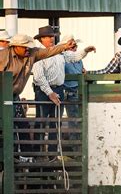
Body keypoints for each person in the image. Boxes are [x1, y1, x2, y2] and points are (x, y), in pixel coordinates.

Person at [32, 26, 96, 158]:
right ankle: (39, 155)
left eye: (52, 36)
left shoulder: (59, 52)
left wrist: (85, 50)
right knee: (42, 122)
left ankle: (52, 154)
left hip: (58, 89)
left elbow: (74, 57)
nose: (51, 38)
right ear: (41, 39)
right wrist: (50, 92)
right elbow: (39, 77)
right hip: (44, 91)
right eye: (48, 36)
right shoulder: (38, 53)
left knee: (57, 123)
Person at [61, 34, 85, 151]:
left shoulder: (78, 59)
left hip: (79, 91)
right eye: (71, 46)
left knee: (79, 120)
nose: (74, 48)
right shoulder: (63, 58)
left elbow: (81, 72)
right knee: (74, 121)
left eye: (75, 46)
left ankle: (78, 148)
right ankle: (76, 149)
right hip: (70, 91)